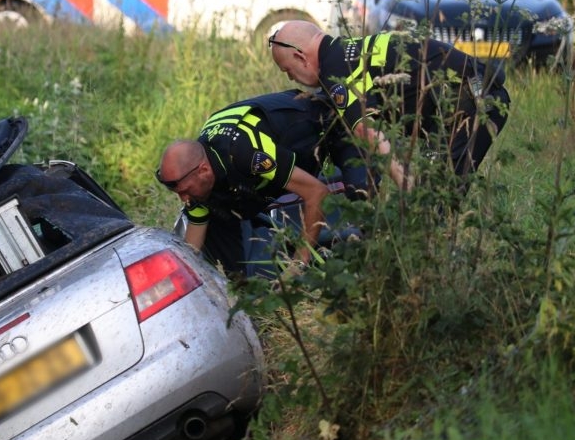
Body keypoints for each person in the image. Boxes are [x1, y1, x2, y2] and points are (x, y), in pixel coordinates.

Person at [268, 21, 510, 198]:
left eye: (288, 70)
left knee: (436, 199)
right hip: (473, 96)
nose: (292, 79)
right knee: (436, 195)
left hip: (478, 102)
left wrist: (407, 185)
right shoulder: (347, 51)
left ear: (301, 57)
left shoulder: (335, 70)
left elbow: (367, 129)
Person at [157, 90, 353, 279]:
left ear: (203, 171)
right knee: (216, 220)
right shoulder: (200, 172)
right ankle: (244, 285)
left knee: (356, 186)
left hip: (324, 121)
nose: (184, 199)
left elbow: (317, 192)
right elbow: (192, 247)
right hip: (261, 147)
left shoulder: (245, 153)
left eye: (185, 191)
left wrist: (298, 264)